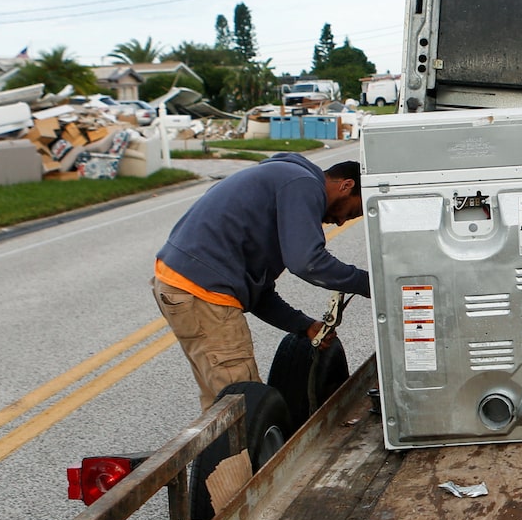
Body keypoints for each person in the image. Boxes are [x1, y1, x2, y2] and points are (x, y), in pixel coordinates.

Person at [152, 153, 371, 410]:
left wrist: (304, 326)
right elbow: (308, 262)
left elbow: (258, 291)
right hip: (204, 294)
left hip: (179, 285)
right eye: (352, 211)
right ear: (347, 185)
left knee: (219, 404)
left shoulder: (284, 183)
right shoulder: (302, 184)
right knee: (243, 408)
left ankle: (222, 451)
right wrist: (374, 284)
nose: (342, 221)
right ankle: (243, 452)